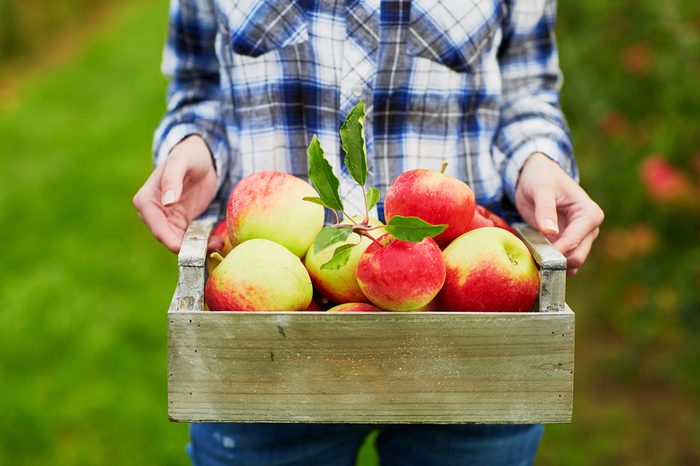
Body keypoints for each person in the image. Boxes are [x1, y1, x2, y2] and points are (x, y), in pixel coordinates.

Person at [134, 0, 604, 464]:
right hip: (266, 350)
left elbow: (527, 91)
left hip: (470, 335)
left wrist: (537, 159)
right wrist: (194, 143)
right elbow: (198, 83)